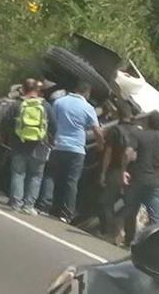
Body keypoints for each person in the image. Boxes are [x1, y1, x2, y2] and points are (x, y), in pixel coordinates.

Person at [49, 81, 104, 223]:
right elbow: (97, 130)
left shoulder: (59, 102)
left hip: (58, 145)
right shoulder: (88, 108)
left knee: (55, 177)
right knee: (71, 182)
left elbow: (51, 122)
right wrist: (100, 145)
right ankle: (66, 213)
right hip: (76, 149)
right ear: (87, 93)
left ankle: (51, 207)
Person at [122, 111, 159, 246]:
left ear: (148, 122)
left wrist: (123, 170)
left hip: (138, 179)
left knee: (130, 211)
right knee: (155, 218)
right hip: (156, 183)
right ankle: (154, 246)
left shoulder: (139, 135)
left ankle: (129, 240)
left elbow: (128, 153)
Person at [1, 79, 49, 213]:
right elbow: (54, 126)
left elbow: (5, 122)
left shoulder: (17, 104)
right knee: (36, 176)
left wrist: (1, 136)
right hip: (40, 147)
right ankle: (28, 206)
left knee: (18, 173)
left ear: (23, 89)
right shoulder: (45, 106)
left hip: (19, 145)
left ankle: (16, 203)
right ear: (37, 90)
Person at [98, 103, 138, 244]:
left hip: (115, 171)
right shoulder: (138, 132)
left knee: (106, 202)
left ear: (118, 115)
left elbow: (108, 153)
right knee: (128, 204)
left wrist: (103, 173)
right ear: (131, 115)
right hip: (132, 174)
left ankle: (109, 232)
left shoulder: (115, 131)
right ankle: (126, 236)